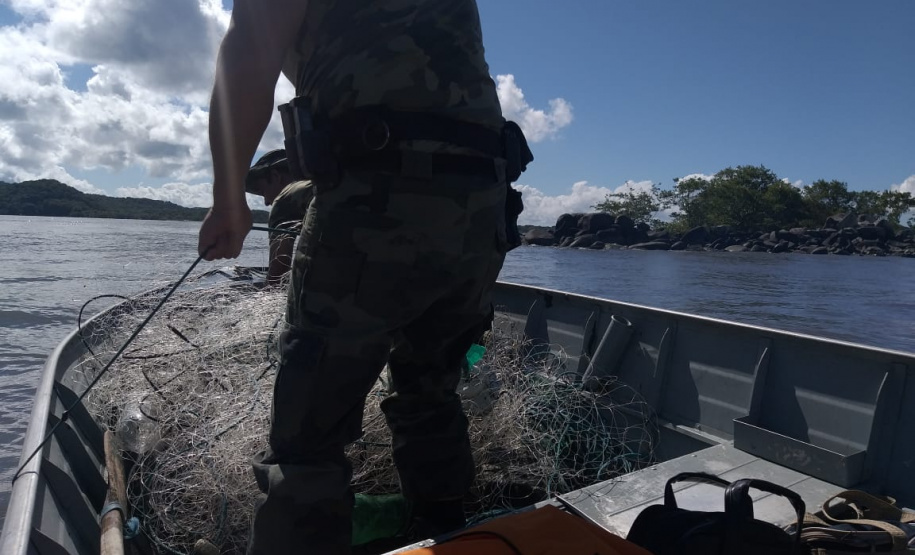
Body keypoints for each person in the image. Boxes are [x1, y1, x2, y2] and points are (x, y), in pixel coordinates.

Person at [197, 1, 515, 553]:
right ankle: (446, 532)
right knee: (430, 392)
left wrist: (229, 198)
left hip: (375, 192)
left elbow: (251, 45)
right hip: (483, 207)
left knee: (308, 436)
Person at [244, 149, 314, 285]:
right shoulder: (327, 183)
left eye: (262, 191)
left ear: (276, 176)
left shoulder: (284, 200)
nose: (265, 202)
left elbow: (277, 278)